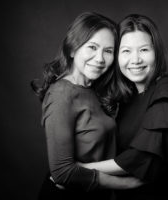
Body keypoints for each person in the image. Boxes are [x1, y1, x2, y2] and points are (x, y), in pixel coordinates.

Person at [31, 12, 143, 200]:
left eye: (108, 51)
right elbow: (62, 172)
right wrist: (129, 184)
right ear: (73, 49)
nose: (100, 58)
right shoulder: (61, 94)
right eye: (92, 47)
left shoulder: (93, 88)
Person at [78, 14, 168, 200]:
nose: (135, 59)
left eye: (144, 50)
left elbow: (141, 158)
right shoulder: (125, 98)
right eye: (126, 51)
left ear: (158, 52)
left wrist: (79, 171)